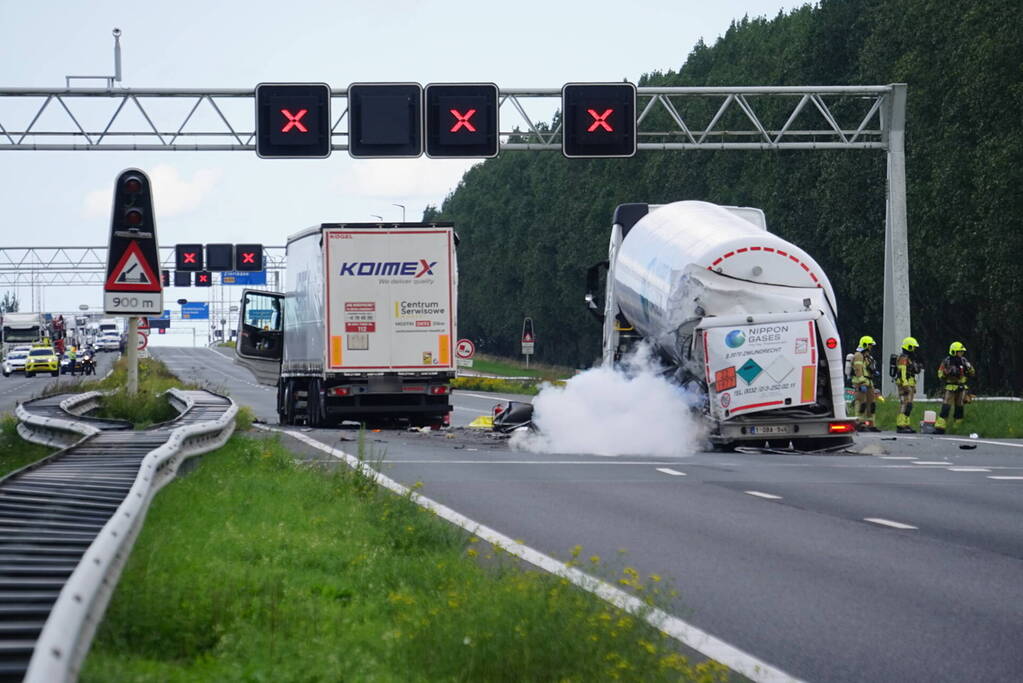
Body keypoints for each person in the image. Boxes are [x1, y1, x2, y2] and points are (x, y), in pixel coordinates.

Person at [935, 341, 975, 434]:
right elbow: (940, 374)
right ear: (954, 351)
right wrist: (946, 372)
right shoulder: (947, 361)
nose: (961, 354)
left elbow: (972, 372)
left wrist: (969, 369)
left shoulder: (964, 361)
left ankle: (957, 427)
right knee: (946, 407)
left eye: (962, 352)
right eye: (959, 352)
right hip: (950, 387)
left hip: (961, 387)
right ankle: (940, 426)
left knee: (959, 408)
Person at [851, 335, 880, 431]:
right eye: (870, 345)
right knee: (861, 403)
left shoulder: (867, 356)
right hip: (861, 383)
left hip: (869, 382)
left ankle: (871, 424)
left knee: (871, 404)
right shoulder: (858, 355)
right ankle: (860, 424)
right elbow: (858, 369)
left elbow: (869, 368)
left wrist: (874, 372)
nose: (871, 347)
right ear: (865, 345)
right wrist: (861, 381)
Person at [895, 336, 923, 433]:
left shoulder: (909, 358)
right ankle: (900, 425)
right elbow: (902, 372)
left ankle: (906, 424)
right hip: (904, 384)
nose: (915, 349)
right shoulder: (903, 358)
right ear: (909, 347)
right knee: (905, 404)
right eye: (913, 347)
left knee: (909, 405)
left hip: (910, 383)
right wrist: (905, 385)